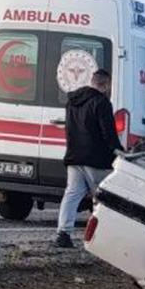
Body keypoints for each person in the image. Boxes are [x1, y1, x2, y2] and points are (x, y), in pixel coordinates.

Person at [53, 69, 123, 248]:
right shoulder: (102, 102)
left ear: (92, 81)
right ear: (106, 85)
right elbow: (108, 132)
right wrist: (119, 151)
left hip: (74, 156)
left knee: (72, 194)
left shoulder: (73, 101)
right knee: (104, 197)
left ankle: (63, 233)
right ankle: (103, 239)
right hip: (97, 159)